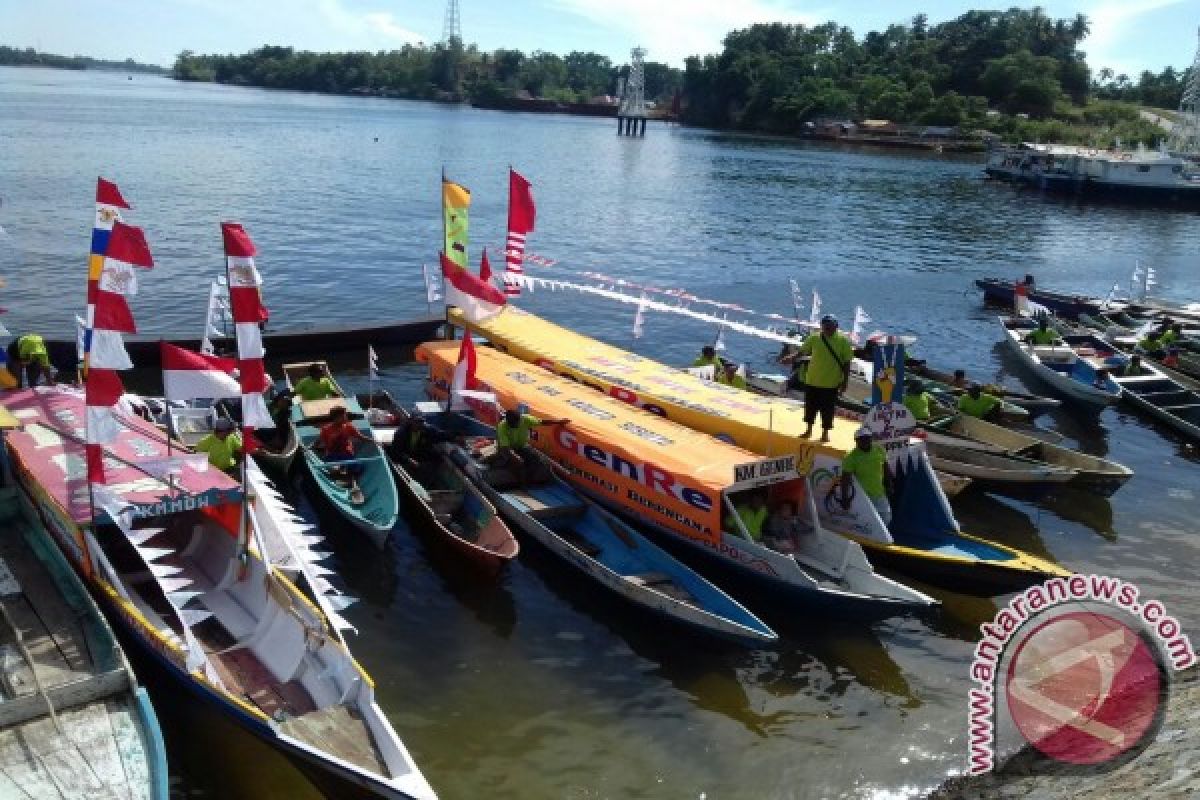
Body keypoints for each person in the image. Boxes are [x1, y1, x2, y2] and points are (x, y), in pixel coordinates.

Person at [795, 315, 853, 443]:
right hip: (812, 380)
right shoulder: (814, 337)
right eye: (825, 326)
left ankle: (825, 433)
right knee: (810, 408)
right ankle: (808, 430)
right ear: (822, 326)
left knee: (827, 411)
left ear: (836, 327)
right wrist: (791, 357)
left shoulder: (843, 341)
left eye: (830, 326)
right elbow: (803, 351)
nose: (827, 329)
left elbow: (847, 362)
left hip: (830, 384)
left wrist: (845, 382)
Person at [488, 407, 569, 482]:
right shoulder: (502, 427)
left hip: (522, 446)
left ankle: (531, 476)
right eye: (513, 425)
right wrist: (515, 457)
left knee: (537, 459)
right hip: (507, 449)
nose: (515, 426)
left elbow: (542, 422)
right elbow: (506, 448)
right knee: (516, 462)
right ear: (508, 421)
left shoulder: (525, 418)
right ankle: (519, 481)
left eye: (517, 423)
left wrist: (558, 422)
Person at [314, 406, 371, 504]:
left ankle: (350, 479)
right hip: (332, 455)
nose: (346, 417)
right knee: (334, 469)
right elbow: (318, 442)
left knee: (359, 467)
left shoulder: (349, 426)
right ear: (337, 417)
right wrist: (309, 448)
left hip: (347, 454)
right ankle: (344, 475)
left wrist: (374, 441)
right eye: (344, 415)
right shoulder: (326, 429)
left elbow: (360, 437)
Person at [839, 427, 892, 525]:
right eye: (861, 439)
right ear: (856, 441)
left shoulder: (879, 449)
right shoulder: (850, 457)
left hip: (879, 492)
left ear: (871, 438)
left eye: (867, 438)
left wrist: (889, 484)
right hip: (862, 495)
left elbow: (886, 467)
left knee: (886, 518)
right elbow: (845, 479)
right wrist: (844, 498)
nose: (865, 441)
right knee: (867, 521)